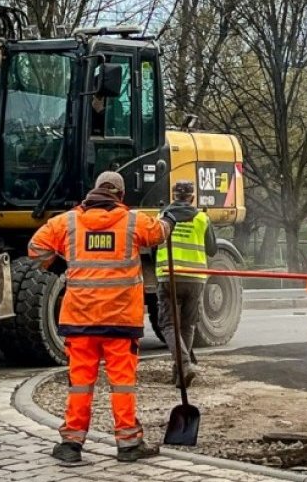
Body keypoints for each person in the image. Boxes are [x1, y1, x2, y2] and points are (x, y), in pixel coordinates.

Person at [29, 171, 195, 464]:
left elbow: (35, 248)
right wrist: (170, 217)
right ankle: (128, 444)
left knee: (80, 383)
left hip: (79, 320)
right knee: (122, 384)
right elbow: (159, 233)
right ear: (120, 195)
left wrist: (59, 268)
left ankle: (71, 444)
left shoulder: (67, 222)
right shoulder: (132, 221)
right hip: (120, 321)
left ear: (94, 192)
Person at [154, 180, 217, 387]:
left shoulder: (162, 217)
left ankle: (184, 365)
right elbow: (212, 250)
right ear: (192, 197)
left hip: (169, 276)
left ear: (174, 196)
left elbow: (154, 243)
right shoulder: (202, 218)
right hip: (195, 277)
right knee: (188, 325)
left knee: (169, 324)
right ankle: (180, 373)